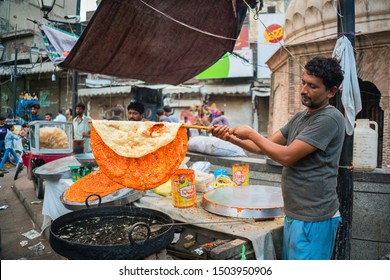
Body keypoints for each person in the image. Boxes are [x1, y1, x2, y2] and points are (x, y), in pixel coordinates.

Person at [208, 57, 345, 260]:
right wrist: (229, 137)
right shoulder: (300, 117)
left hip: (315, 218)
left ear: (331, 91)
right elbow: (262, 147)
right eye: (303, 82)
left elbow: (287, 157)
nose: (303, 90)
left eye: (312, 86)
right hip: (294, 213)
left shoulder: (330, 118)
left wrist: (251, 133)